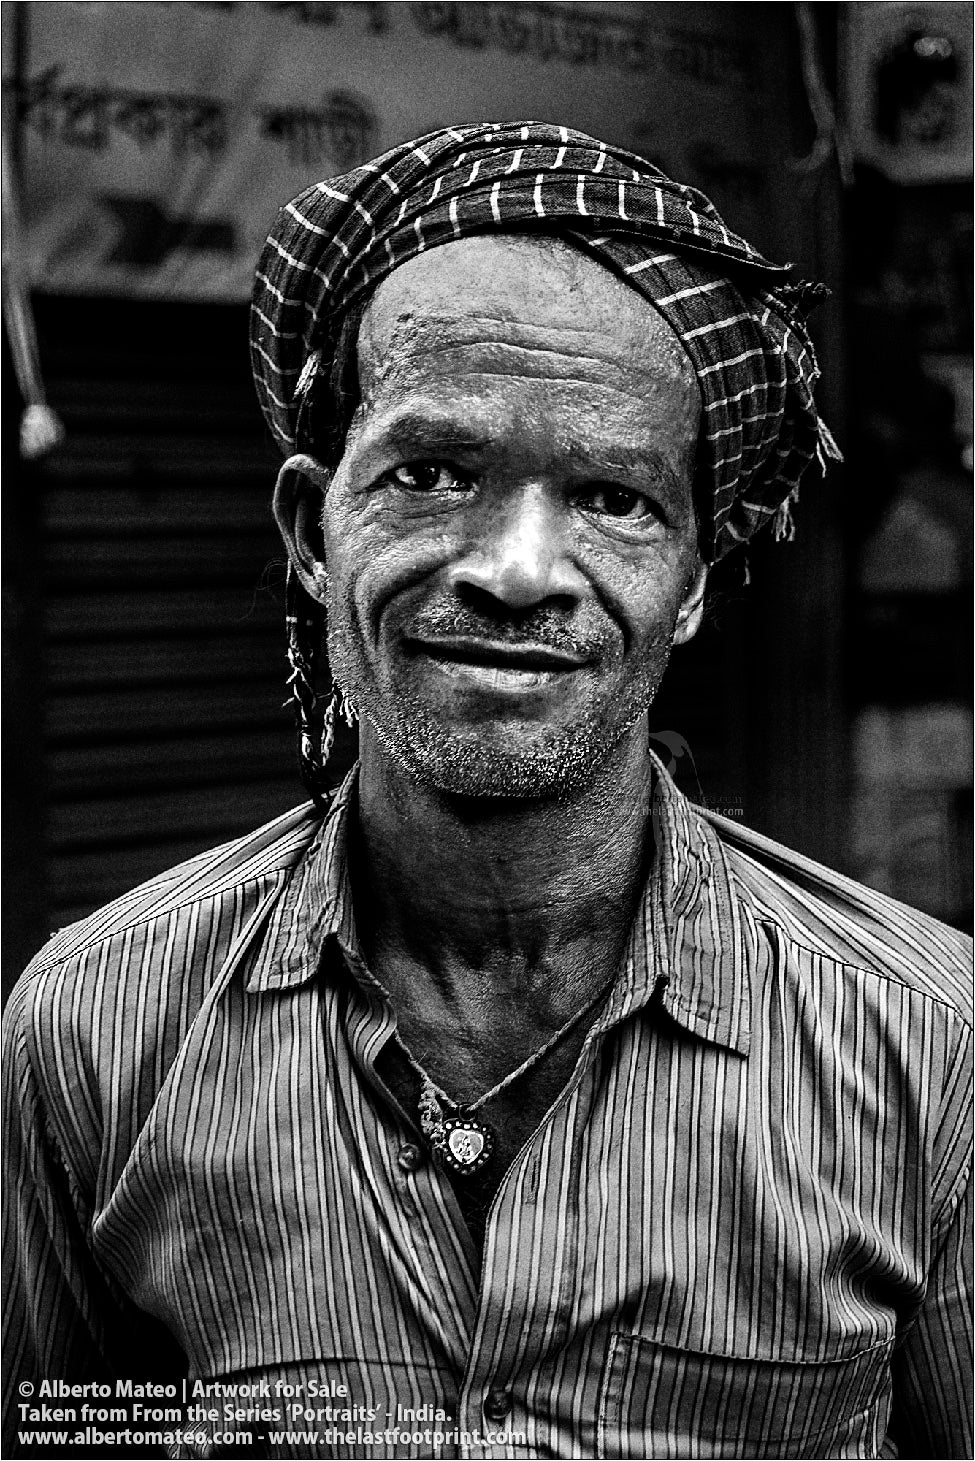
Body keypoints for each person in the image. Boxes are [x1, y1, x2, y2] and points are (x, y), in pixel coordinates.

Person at [4, 122, 971, 1461]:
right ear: (309, 529)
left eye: (611, 495)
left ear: (692, 577)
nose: (517, 569)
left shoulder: (931, 1050)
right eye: (432, 474)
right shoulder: (92, 1027)